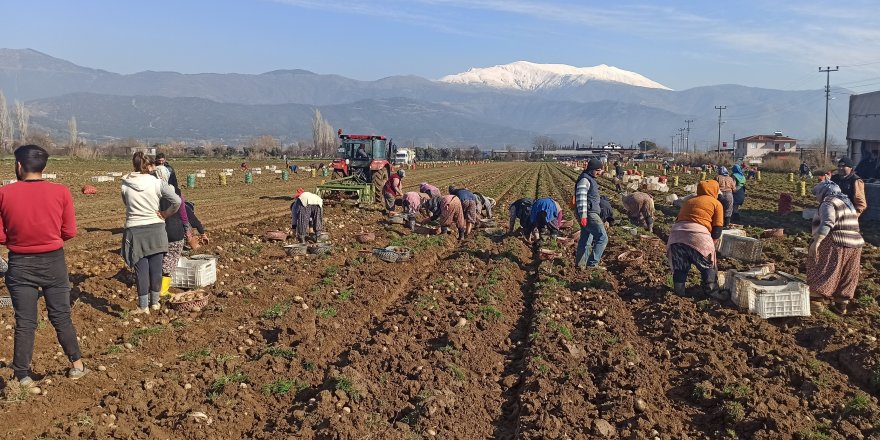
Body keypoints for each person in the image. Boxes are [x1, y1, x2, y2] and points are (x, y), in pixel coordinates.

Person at [0, 145, 88, 386]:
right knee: (60, 315)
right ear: (44, 167)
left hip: (20, 265)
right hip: (53, 263)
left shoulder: (4, 193)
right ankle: (77, 365)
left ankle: (22, 375)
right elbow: (70, 231)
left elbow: (0, 235)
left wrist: (19, 240)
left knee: (25, 321)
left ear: (19, 166)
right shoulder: (60, 192)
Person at [122, 153, 181, 314]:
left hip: (136, 230)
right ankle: (155, 303)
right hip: (156, 228)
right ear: (149, 166)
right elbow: (177, 201)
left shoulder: (125, 184)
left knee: (141, 269)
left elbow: (126, 203)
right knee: (156, 267)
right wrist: (166, 213)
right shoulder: (157, 183)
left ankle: (143, 306)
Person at [807, 181, 864, 314]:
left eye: (817, 194)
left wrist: (817, 241)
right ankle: (841, 305)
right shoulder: (847, 202)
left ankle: (816, 301)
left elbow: (828, 222)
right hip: (855, 244)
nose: (817, 198)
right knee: (847, 273)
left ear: (823, 192)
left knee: (823, 267)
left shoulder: (828, 202)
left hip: (838, 241)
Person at [667, 180, 725, 299]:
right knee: (707, 265)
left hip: (676, 235)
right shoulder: (716, 203)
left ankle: (679, 293)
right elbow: (717, 229)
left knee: (680, 266)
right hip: (698, 235)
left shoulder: (689, 201)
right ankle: (712, 293)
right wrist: (712, 244)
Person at [155, 165, 188, 298]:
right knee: (171, 259)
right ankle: (163, 290)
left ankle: (153, 286)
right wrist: (187, 228)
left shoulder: (151, 192)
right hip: (174, 230)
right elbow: (183, 213)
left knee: (158, 258)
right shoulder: (175, 191)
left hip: (156, 231)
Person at [575, 159, 608, 269]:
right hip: (589, 214)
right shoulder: (585, 179)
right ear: (591, 169)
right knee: (603, 237)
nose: (599, 172)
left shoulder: (590, 179)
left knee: (586, 239)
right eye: (597, 170)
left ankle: (581, 264)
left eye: (600, 170)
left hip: (590, 213)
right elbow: (581, 197)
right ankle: (592, 264)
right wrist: (583, 215)